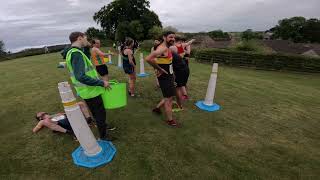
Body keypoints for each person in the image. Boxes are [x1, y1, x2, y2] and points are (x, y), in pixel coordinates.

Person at [65, 31, 116, 141]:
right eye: (85, 38)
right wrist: (102, 82)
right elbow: (80, 76)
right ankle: (103, 136)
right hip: (90, 90)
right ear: (79, 38)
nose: (87, 41)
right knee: (100, 113)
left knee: (96, 112)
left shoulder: (72, 52)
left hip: (86, 90)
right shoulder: (76, 54)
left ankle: (102, 126)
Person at [146, 31, 180, 127]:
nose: (173, 39)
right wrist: (159, 69)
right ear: (164, 37)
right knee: (169, 99)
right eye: (170, 37)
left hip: (169, 76)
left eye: (174, 37)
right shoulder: (162, 48)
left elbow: (164, 61)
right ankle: (170, 120)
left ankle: (157, 109)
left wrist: (172, 74)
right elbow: (148, 58)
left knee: (168, 96)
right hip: (165, 77)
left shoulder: (166, 47)